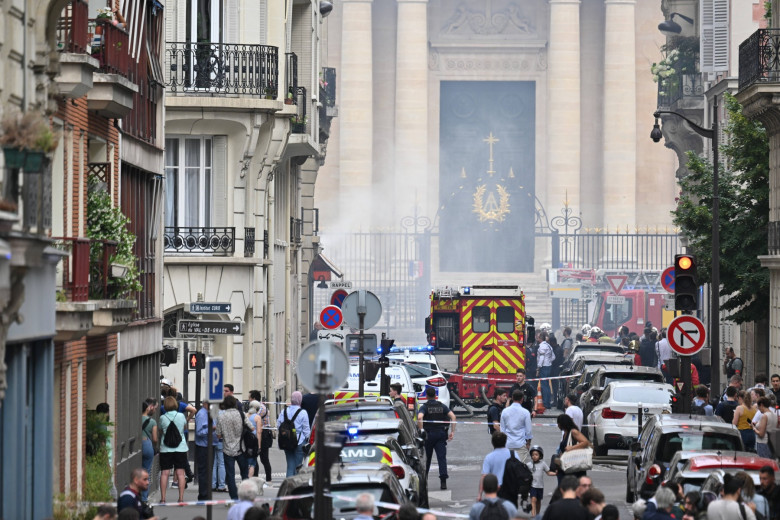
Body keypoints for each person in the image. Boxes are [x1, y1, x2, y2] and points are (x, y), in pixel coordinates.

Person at [418, 386, 456, 489]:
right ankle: (443, 481)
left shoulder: (424, 407)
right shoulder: (442, 406)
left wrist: (421, 430)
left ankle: (424, 481)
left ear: (426, 396)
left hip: (428, 435)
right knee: (441, 458)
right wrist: (452, 431)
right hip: (440, 434)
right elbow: (453, 417)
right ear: (435, 396)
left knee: (427, 459)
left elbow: (420, 417)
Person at [217, 395, 254, 499]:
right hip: (241, 448)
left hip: (227, 449)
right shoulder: (241, 414)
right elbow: (251, 427)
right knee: (244, 474)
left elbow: (218, 435)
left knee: (230, 476)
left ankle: (234, 498)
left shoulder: (221, 416)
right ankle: (246, 495)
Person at [158, 396, 188, 503]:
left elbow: (160, 431)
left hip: (165, 449)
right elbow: (184, 428)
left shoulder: (162, 418)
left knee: (164, 473)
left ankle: (163, 498)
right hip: (181, 448)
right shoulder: (181, 416)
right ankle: (180, 498)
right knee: (180, 473)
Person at [277, 391, 311, 477]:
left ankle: (288, 487)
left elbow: (278, 425)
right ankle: (296, 487)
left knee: (289, 466)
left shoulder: (283, 411)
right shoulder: (303, 412)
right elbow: (306, 430)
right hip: (299, 442)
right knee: (298, 466)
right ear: (300, 400)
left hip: (286, 441)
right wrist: (309, 441)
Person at [499, 390, 533, 464]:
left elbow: (502, 429)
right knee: (519, 468)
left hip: (508, 444)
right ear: (522, 399)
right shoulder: (525, 412)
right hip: (520, 444)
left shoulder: (505, 411)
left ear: (512, 398)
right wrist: (528, 443)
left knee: (508, 467)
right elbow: (528, 431)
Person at [555, 413, 591, 480]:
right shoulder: (565, 434)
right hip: (566, 464)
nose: (558, 425)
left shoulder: (573, 432)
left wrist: (572, 448)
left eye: (558, 423)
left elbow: (585, 442)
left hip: (574, 464)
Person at [480, 432, 512, 497]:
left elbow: (484, 476)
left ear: (492, 443)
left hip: (495, 489)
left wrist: (479, 494)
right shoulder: (513, 454)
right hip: (510, 488)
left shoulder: (489, 457)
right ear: (505, 442)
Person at [194, 399, 214, 501]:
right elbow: (199, 432)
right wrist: (211, 428)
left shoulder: (208, 413)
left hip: (209, 445)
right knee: (204, 471)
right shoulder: (202, 414)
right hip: (203, 446)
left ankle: (206, 494)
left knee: (208, 471)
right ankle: (203, 495)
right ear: (206, 404)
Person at [527, 446, 555, 516]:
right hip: (532, 485)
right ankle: (533, 515)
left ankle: (537, 514)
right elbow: (524, 473)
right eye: (533, 455)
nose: (534, 456)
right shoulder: (529, 465)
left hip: (540, 486)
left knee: (538, 501)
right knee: (533, 499)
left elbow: (548, 472)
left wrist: (556, 474)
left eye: (536, 455)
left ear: (540, 456)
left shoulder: (543, 464)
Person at [140, 398, 158, 503]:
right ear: (148, 408)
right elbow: (155, 439)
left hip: (137, 444)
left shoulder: (136, 419)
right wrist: (154, 446)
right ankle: (144, 497)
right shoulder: (152, 422)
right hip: (147, 444)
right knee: (146, 472)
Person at [253, 395, 274, 485]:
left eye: (250, 398)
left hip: (264, 434)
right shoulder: (258, 407)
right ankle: (256, 477)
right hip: (259, 433)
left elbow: (254, 418)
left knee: (264, 458)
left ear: (254, 399)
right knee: (255, 458)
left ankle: (269, 479)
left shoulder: (261, 408)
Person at [536, 331, 554, 409]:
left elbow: (541, 358)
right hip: (548, 366)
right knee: (546, 385)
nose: (537, 337)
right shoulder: (549, 346)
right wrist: (549, 361)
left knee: (544, 385)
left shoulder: (542, 346)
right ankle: (548, 402)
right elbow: (553, 357)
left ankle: (546, 403)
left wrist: (538, 367)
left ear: (540, 338)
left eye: (539, 336)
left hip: (544, 367)